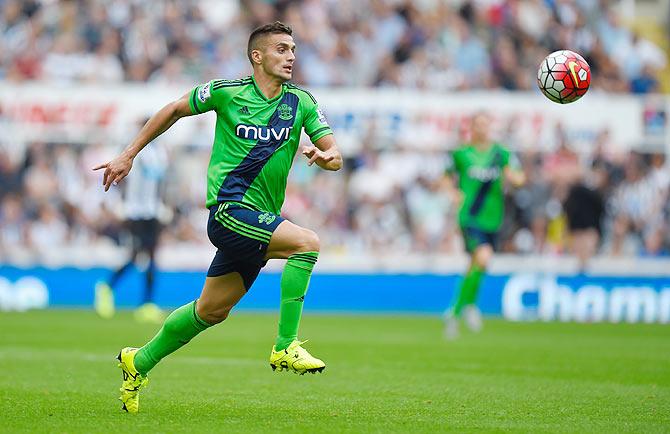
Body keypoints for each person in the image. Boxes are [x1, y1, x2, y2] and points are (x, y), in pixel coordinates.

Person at [93, 21, 342, 413]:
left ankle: (137, 361)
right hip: (228, 212)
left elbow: (335, 154)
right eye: (281, 49)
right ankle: (285, 345)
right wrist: (129, 153)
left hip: (260, 220)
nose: (291, 56)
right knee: (306, 244)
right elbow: (175, 109)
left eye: (293, 49)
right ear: (257, 56)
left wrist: (328, 158)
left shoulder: (303, 103)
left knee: (210, 311)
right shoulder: (227, 93)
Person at [442, 112, 525, 339]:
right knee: (483, 256)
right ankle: (456, 312)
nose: (481, 129)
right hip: (469, 216)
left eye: (485, 124)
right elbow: (446, 177)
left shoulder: (501, 153)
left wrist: (516, 179)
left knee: (475, 266)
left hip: (493, 218)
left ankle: (465, 306)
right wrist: (452, 192)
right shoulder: (462, 154)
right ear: (472, 128)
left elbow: (517, 176)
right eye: (477, 125)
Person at [94, 138, 169, 323]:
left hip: (152, 211)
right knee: (137, 256)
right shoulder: (138, 151)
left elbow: (160, 182)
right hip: (136, 212)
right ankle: (107, 286)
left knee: (150, 256)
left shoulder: (159, 152)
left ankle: (147, 304)